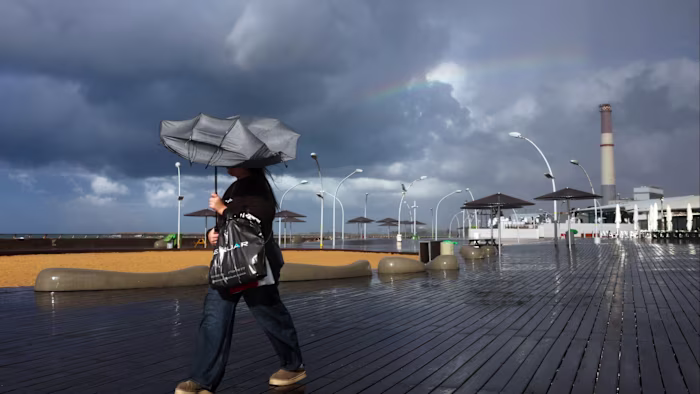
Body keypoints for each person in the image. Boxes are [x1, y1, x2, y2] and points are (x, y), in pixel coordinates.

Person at [175, 167, 305, 394]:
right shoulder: (234, 186)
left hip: (255, 264)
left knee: (271, 315)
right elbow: (231, 226)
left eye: (232, 158)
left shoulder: (257, 186)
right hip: (227, 263)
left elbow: (258, 219)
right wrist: (213, 234)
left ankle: (293, 366)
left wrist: (222, 208)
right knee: (214, 319)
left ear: (246, 161)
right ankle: (202, 379)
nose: (227, 162)